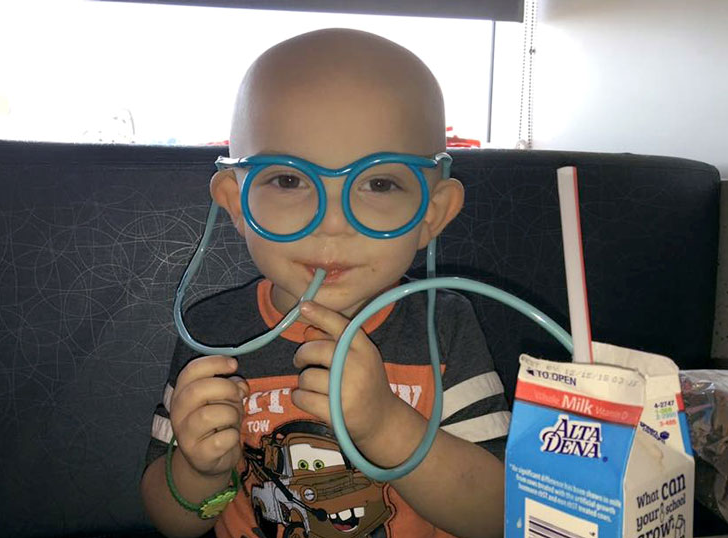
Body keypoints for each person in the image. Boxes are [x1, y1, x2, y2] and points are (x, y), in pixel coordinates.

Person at [140, 28, 509, 538]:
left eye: (379, 183)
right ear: (234, 202)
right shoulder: (215, 335)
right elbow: (170, 521)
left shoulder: (443, 328)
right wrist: (199, 473)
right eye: (288, 180)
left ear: (433, 213)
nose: (331, 221)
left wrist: (386, 427)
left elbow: (499, 516)